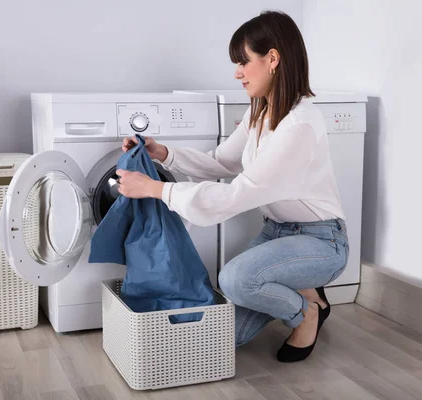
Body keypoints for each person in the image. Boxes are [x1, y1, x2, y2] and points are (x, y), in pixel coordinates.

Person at [116, 10, 348, 363]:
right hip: (278, 233)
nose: (237, 72)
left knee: (236, 280)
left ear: (272, 59)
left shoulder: (299, 126)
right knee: (222, 339)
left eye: (243, 62)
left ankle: (307, 310)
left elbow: (236, 195)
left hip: (321, 241)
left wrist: (155, 189)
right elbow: (222, 162)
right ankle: (302, 291)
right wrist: (162, 153)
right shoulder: (262, 111)